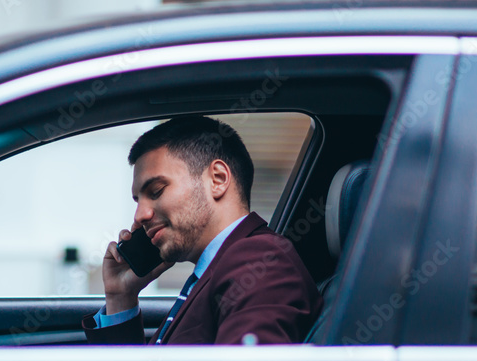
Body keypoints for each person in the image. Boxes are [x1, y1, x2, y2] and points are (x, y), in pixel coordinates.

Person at [82, 116, 322, 345]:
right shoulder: (219, 267)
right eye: (138, 200)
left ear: (217, 179)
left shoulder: (260, 262)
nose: (140, 215)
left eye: (156, 191)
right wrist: (120, 296)